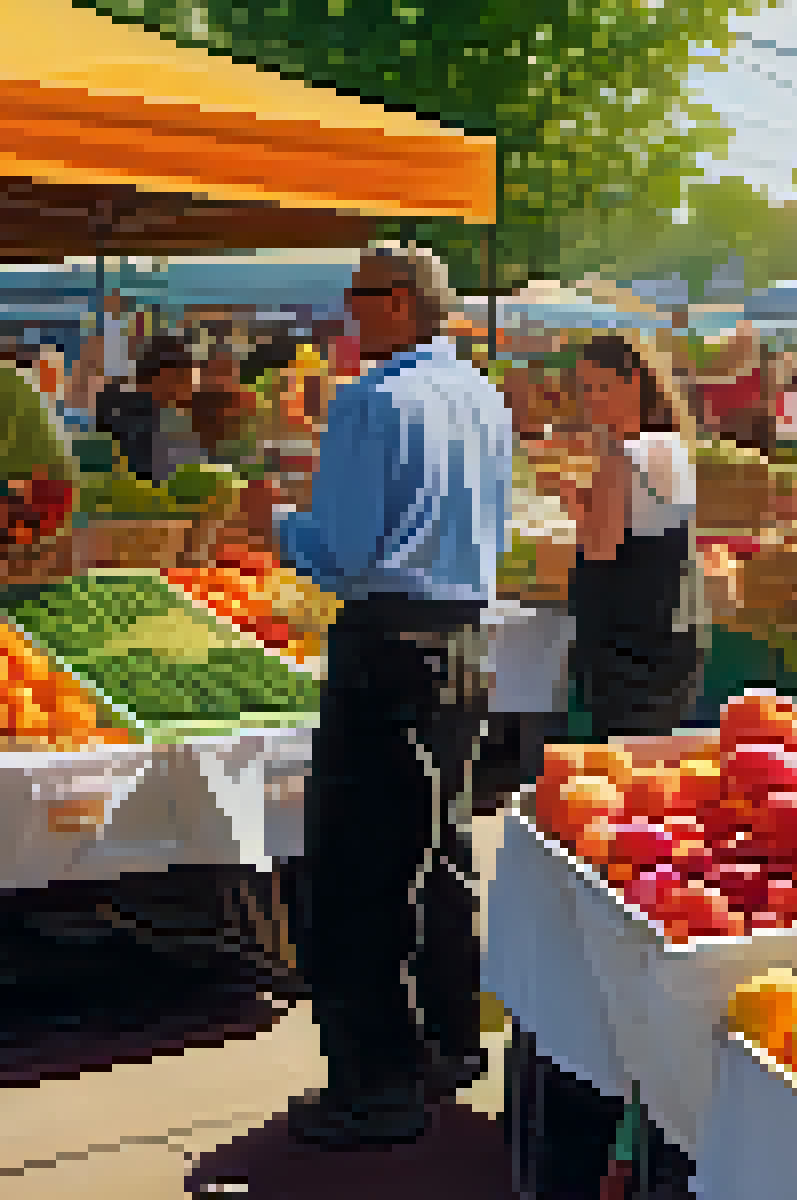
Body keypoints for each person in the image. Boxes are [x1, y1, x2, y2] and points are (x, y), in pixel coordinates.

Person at [256, 244, 514, 1148]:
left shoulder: (374, 401)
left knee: (359, 875)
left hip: (390, 643)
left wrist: (277, 524)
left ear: (399, 303)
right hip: (464, 643)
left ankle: (375, 1085)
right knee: (440, 846)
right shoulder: (482, 394)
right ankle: (451, 1037)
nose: (347, 316)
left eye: (357, 299)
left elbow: (345, 550)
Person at [548, 332, 702, 740]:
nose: (591, 399)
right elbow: (646, 523)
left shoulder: (621, 454)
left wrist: (571, 501)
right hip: (665, 635)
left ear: (633, 382)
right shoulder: (671, 445)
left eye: (600, 387)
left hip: (625, 644)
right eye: (585, 388)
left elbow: (600, 546)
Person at [96, 336, 197, 481]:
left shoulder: (117, 401)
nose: (190, 385)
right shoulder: (138, 415)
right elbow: (150, 476)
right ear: (167, 374)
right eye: (184, 375)